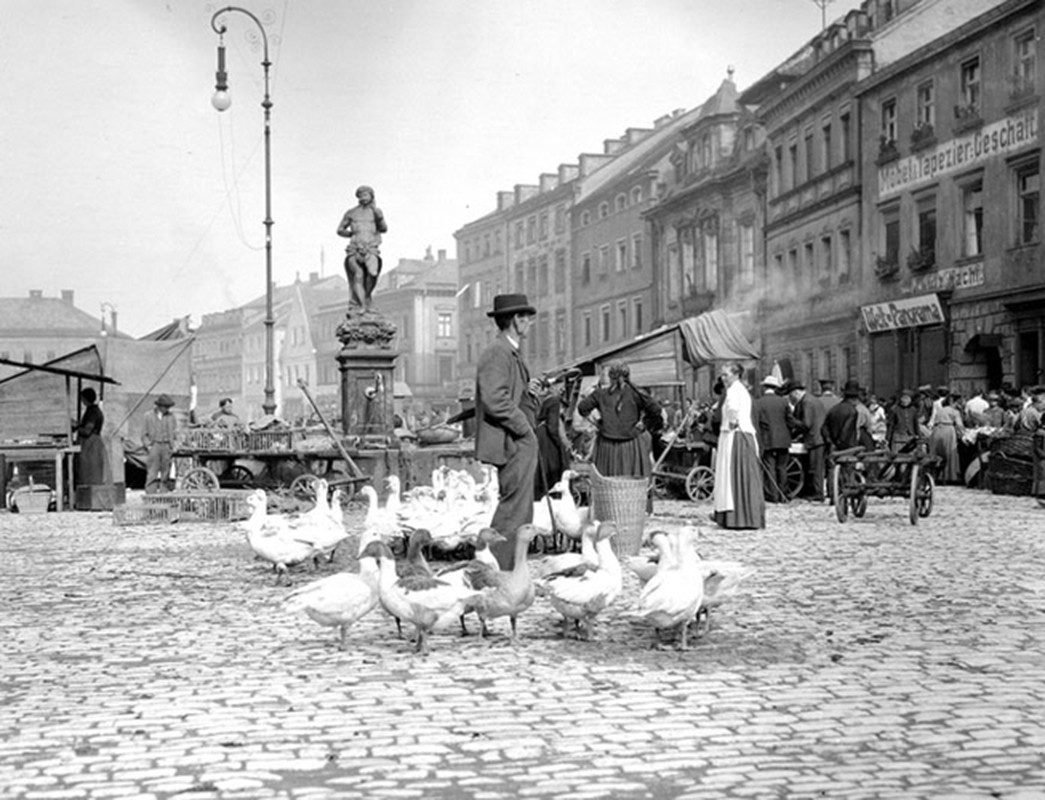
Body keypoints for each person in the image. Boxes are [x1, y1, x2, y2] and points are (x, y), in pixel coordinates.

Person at [475, 294, 540, 569]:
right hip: (512, 441)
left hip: (516, 439)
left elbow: (509, 395)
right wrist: (524, 427)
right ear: (515, 320)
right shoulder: (498, 352)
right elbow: (494, 398)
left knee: (521, 507)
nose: (529, 323)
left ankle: (510, 566)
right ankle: (496, 568)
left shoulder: (509, 352)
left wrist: (530, 393)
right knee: (514, 507)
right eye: (525, 317)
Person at [576, 360, 661, 479]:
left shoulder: (600, 394)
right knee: (631, 481)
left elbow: (582, 408)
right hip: (631, 445)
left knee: (608, 482)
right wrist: (644, 424)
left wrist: (596, 423)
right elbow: (656, 410)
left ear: (611, 377)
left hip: (607, 446)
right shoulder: (637, 393)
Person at [712, 363, 765, 529]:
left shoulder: (734, 390)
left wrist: (733, 420)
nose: (723, 378)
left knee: (734, 474)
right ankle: (741, 514)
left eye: (726, 374)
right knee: (737, 475)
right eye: (722, 375)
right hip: (739, 434)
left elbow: (733, 408)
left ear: (736, 375)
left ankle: (739, 516)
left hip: (736, 436)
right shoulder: (739, 389)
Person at [337, 185, 388, 313]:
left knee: (373, 273)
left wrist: (379, 217)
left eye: (366, 194)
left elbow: (383, 229)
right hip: (354, 249)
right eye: (361, 195)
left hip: (371, 248)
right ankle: (362, 305)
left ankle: (367, 296)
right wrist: (352, 235)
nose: (363, 197)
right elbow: (340, 230)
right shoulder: (351, 213)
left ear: (371, 196)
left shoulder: (376, 212)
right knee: (358, 276)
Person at [754, 375, 791, 503]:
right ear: (776, 388)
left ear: (764, 387)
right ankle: (784, 495)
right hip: (783, 439)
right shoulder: (784, 402)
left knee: (770, 467)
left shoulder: (758, 403)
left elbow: (756, 423)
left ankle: (773, 495)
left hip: (767, 439)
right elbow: (790, 421)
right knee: (782, 468)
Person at [788, 382, 826, 502]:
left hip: (815, 439)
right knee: (815, 466)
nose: (791, 398)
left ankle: (818, 493)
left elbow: (806, 424)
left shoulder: (806, 402)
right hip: (818, 437)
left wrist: (792, 421)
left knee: (815, 467)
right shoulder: (812, 400)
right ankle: (815, 491)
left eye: (791, 395)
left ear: (796, 393)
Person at [534, 380, 570, 500]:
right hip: (547, 438)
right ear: (552, 387)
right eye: (559, 385)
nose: (562, 388)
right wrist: (560, 444)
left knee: (541, 467)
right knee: (552, 467)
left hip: (540, 435)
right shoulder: (554, 400)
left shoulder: (543, 399)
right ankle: (552, 497)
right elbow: (552, 426)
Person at [73, 387, 111, 492]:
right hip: (91, 445)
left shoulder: (93, 412)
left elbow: (87, 431)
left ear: (85, 399)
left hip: (91, 446)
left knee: (89, 472)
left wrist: (76, 426)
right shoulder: (92, 410)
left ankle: (90, 497)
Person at [143, 394, 178, 494]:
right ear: (159, 406)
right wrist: (148, 446)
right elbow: (144, 434)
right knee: (152, 473)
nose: (167, 409)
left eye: (168, 407)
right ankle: (150, 495)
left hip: (167, 445)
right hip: (154, 445)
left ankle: (163, 494)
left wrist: (174, 445)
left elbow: (175, 432)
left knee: (165, 472)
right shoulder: (148, 416)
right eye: (165, 406)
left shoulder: (171, 417)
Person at [928, 393, 965, 484]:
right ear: (955, 403)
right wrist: (964, 433)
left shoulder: (940, 410)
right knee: (950, 453)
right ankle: (950, 477)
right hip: (948, 431)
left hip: (936, 431)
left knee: (935, 453)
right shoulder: (954, 411)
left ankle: (933, 476)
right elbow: (960, 425)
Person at [887, 388, 923, 453]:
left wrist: (919, 437)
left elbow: (916, 425)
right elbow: (891, 425)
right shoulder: (895, 410)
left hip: (910, 437)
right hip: (898, 438)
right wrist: (888, 438)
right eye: (904, 398)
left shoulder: (913, 410)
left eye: (907, 398)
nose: (905, 400)